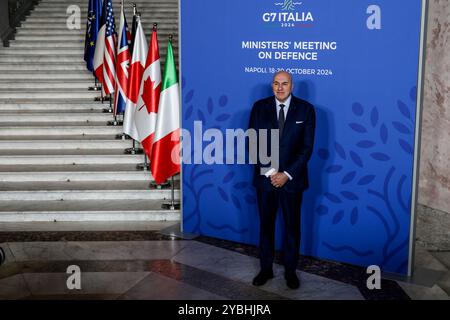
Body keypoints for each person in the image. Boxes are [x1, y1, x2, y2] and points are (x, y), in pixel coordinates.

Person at [248, 71, 316, 289]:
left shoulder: (306, 109)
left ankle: (290, 272)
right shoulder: (260, 107)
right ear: (271, 86)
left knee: (291, 227)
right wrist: (270, 173)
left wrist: (286, 175)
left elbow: (306, 148)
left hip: (292, 181)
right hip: (265, 180)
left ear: (292, 86)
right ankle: (265, 269)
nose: (280, 88)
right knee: (266, 226)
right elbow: (253, 143)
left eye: (284, 84)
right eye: (276, 84)